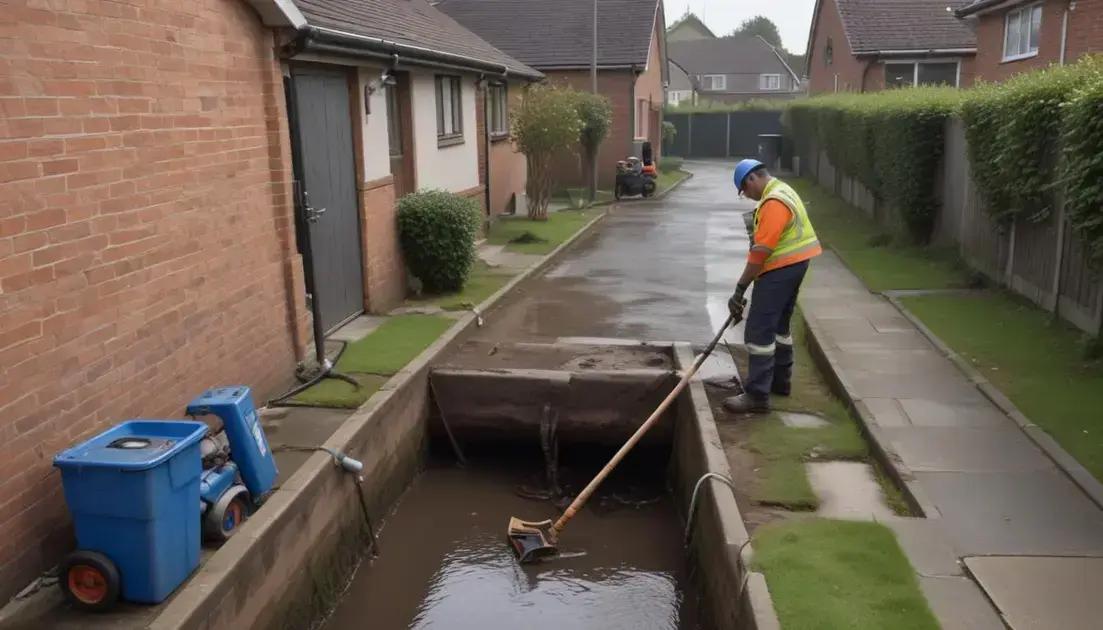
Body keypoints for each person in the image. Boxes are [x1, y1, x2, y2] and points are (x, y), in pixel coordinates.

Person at [723, 159, 822, 413]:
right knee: (779, 327)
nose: (747, 196)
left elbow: (761, 251)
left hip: (780, 269)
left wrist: (740, 288)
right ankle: (780, 382)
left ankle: (757, 396)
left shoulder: (773, 202)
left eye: (744, 191)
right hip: (796, 265)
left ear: (750, 180)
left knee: (759, 332)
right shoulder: (784, 190)